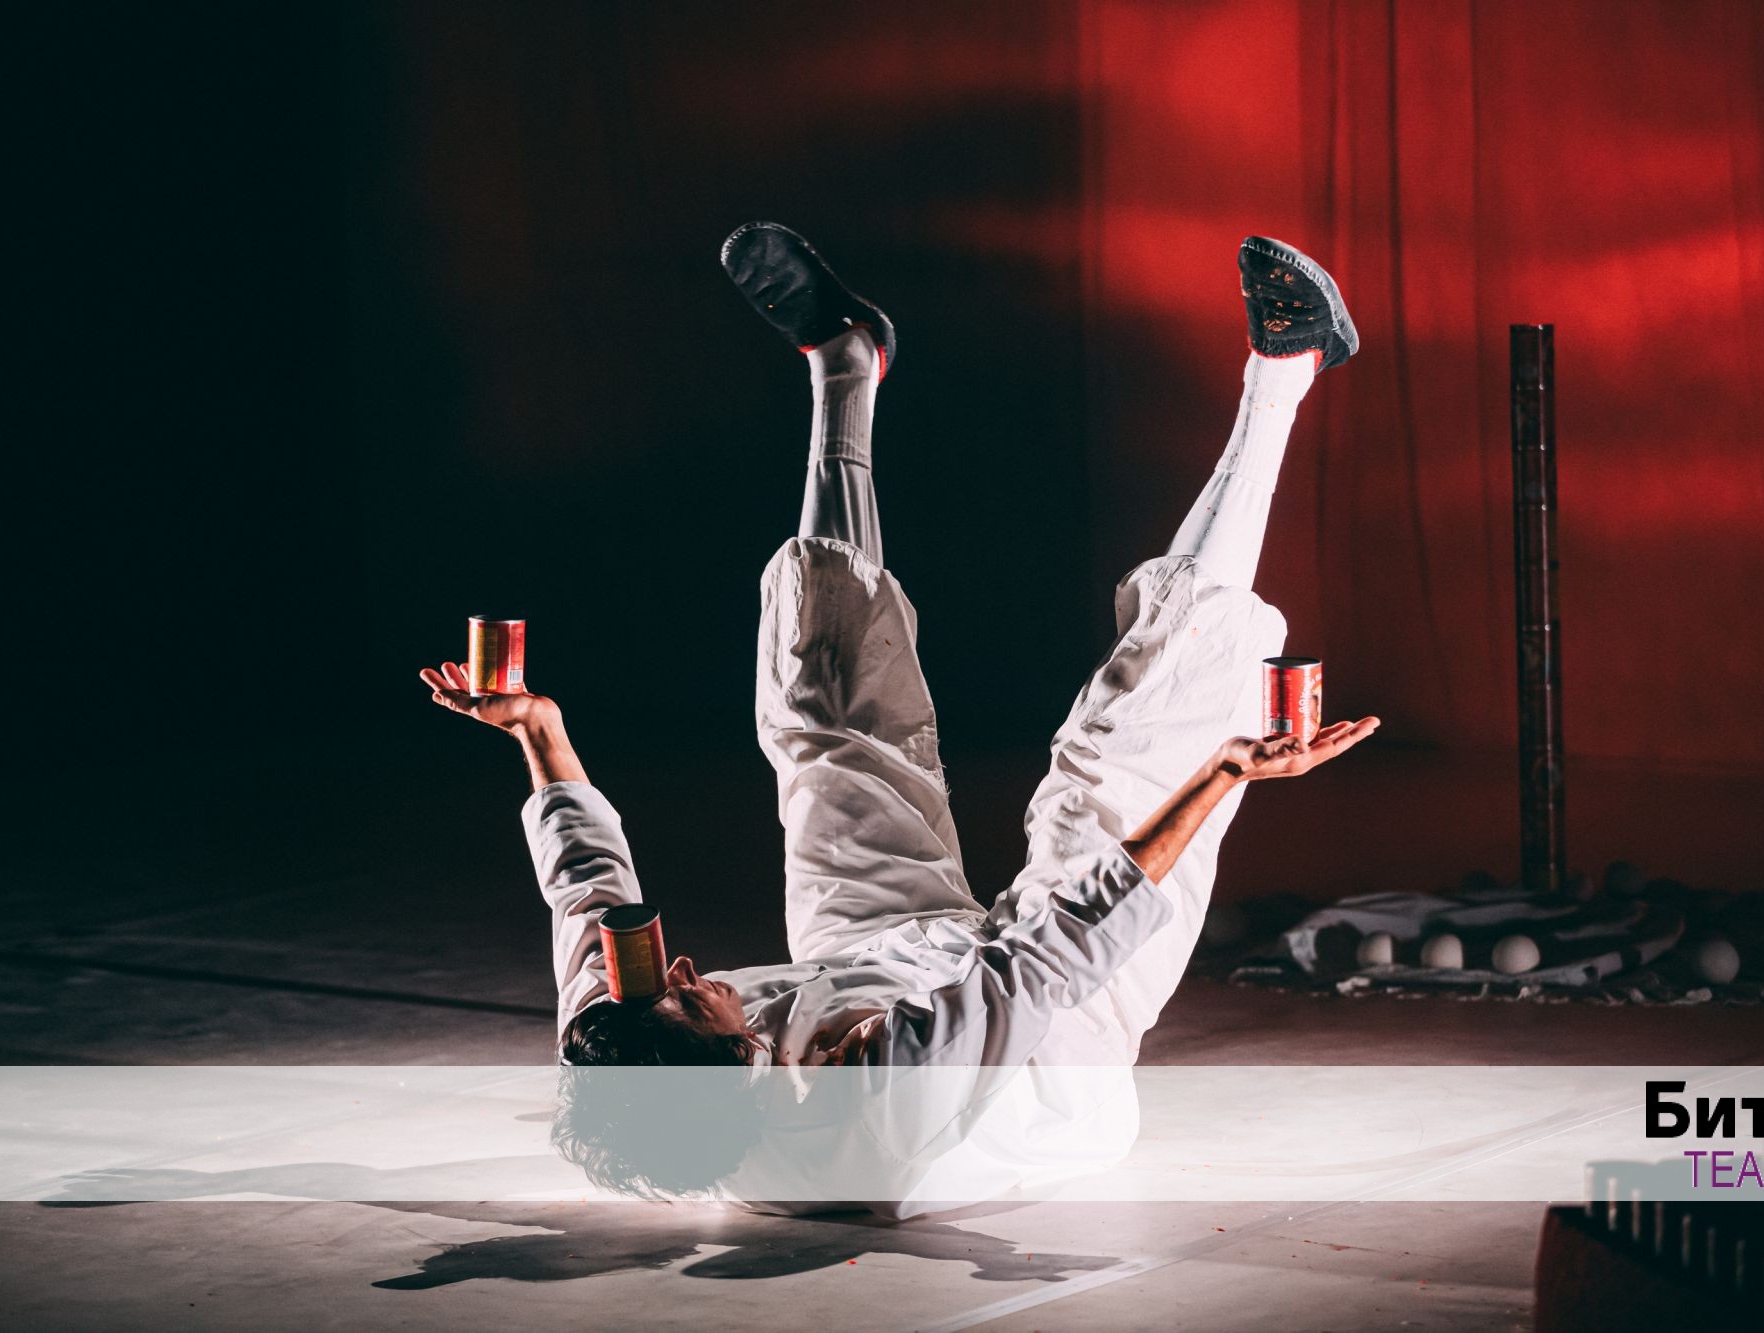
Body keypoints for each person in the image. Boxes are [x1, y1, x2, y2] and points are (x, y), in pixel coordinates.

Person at [418, 224, 1379, 1210]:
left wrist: (537, 729)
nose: (687, 968)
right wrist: (1222, 772)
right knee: (1123, 749)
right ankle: (1288, 368)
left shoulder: (625, 1051)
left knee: (819, 711)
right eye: (687, 1001)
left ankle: (844, 359)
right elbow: (1050, 954)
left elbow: (586, 898)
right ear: (737, 1070)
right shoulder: (876, 1107)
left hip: (859, 962)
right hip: (1048, 1048)